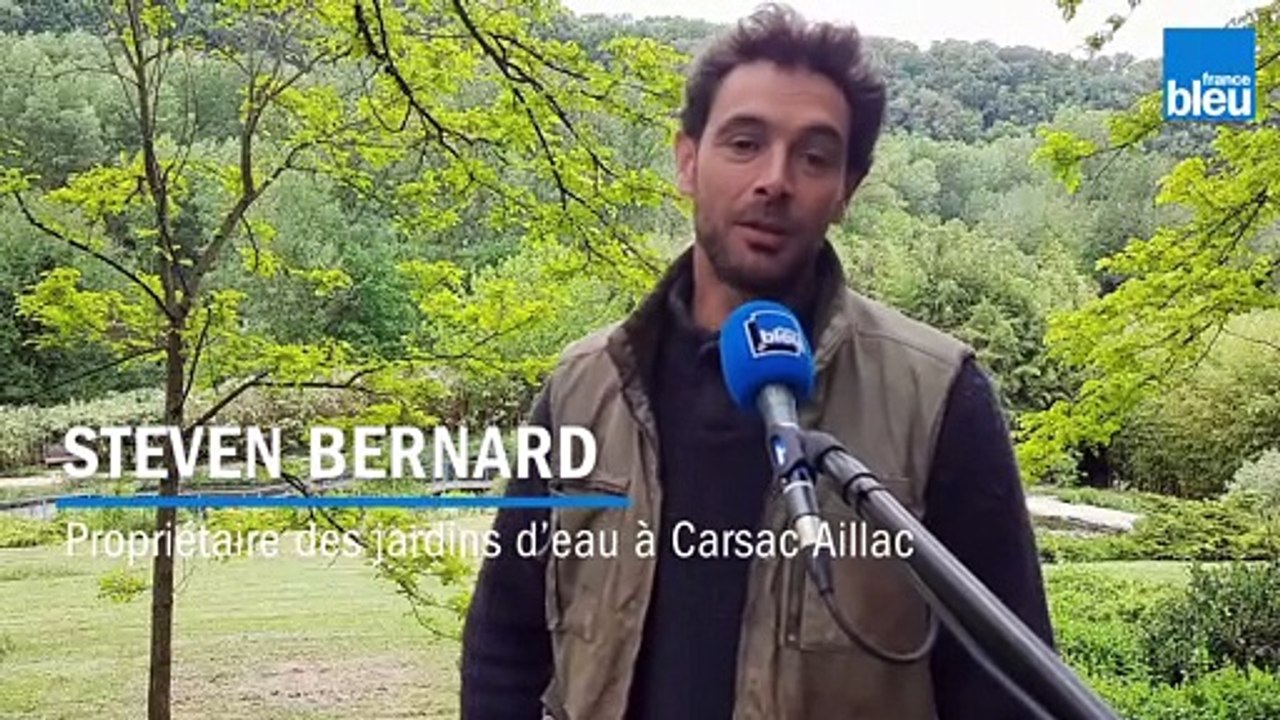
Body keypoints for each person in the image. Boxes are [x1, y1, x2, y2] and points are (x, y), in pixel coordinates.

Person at [460, 4, 1054, 719]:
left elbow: (1007, 692)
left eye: (814, 156)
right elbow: (505, 648)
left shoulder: (937, 396)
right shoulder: (583, 389)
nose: (775, 180)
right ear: (687, 160)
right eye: (745, 143)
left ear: (846, 192)